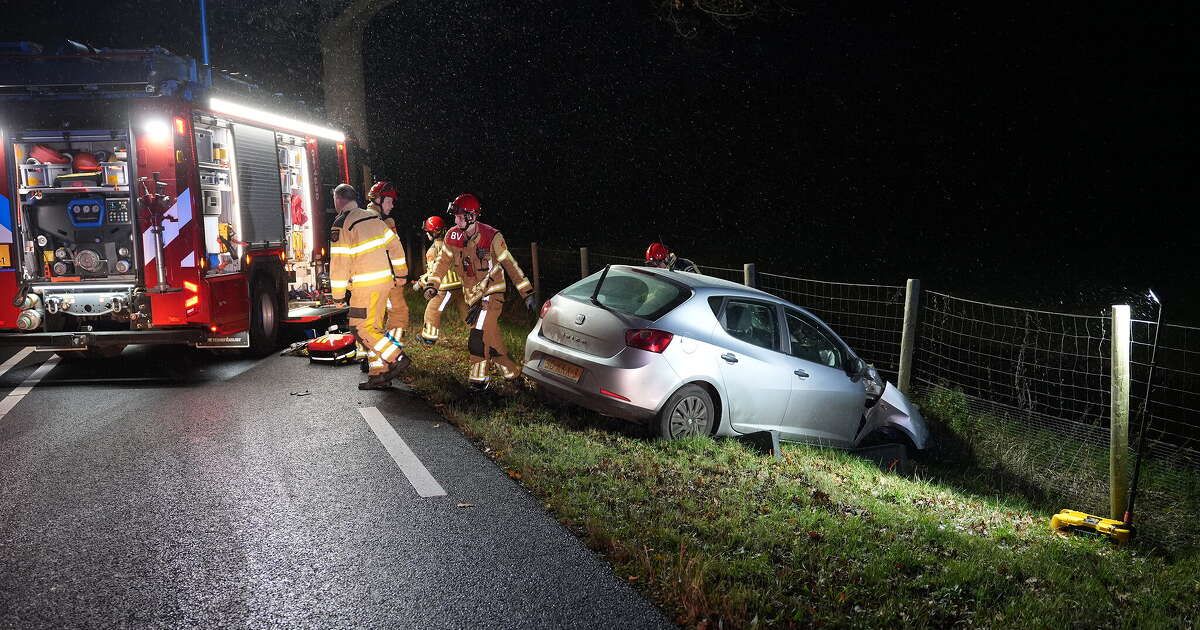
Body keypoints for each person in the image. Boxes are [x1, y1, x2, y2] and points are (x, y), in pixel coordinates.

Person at [425, 193, 536, 390]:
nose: (456, 220)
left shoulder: (492, 236)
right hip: (472, 298)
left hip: (492, 294)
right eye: (455, 216)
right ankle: (512, 373)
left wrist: (526, 292)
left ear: (472, 216)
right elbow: (441, 263)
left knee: (477, 335)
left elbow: (510, 264)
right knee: (491, 338)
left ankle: (478, 381)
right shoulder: (453, 235)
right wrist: (433, 284)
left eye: (460, 216)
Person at [329, 183, 411, 390]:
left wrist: (338, 296)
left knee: (359, 328)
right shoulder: (373, 218)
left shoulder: (342, 222)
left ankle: (396, 357)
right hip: (384, 283)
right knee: (373, 329)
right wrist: (401, 274)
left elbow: (339, 263)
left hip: (364, 287)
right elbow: (395, 246)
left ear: (338, 200)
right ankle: (379, 374)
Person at [366, 180, 411, 347]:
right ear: (379, 199)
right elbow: (395, 251)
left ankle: (366, 352)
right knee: (399, 313)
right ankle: (390, 351)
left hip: (363, 281)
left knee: (369, 317)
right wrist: (401, 275)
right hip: (386, 278)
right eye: (389, 201)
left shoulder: (358, 220)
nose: (392, 205)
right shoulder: (384, 223)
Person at [413, 215, 463, 345]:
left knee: (432, 311)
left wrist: (420, 283)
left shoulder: (432, 251)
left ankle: (428, 338)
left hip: (445, 287)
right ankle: (480, 335)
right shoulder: (453, 243)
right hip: (460, 284)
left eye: (428, 231)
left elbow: (432, 273)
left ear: (434, 232)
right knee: (467, 312)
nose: (427, 234)